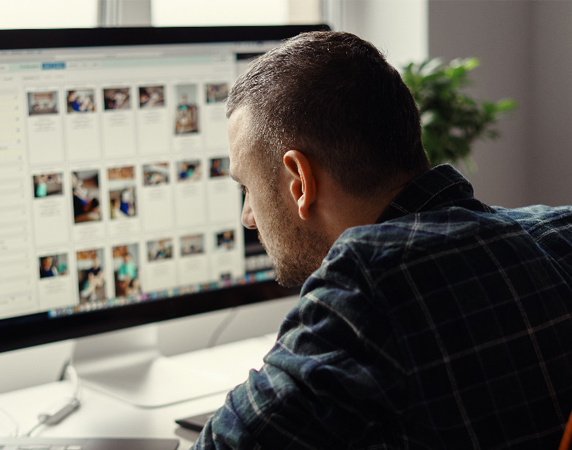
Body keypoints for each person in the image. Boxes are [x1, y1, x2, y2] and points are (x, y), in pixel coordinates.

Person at [191, 31, 572, 449]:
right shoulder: (559, 232)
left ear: (299, 181)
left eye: (247, 187)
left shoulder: (367, 281)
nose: (248, 216)